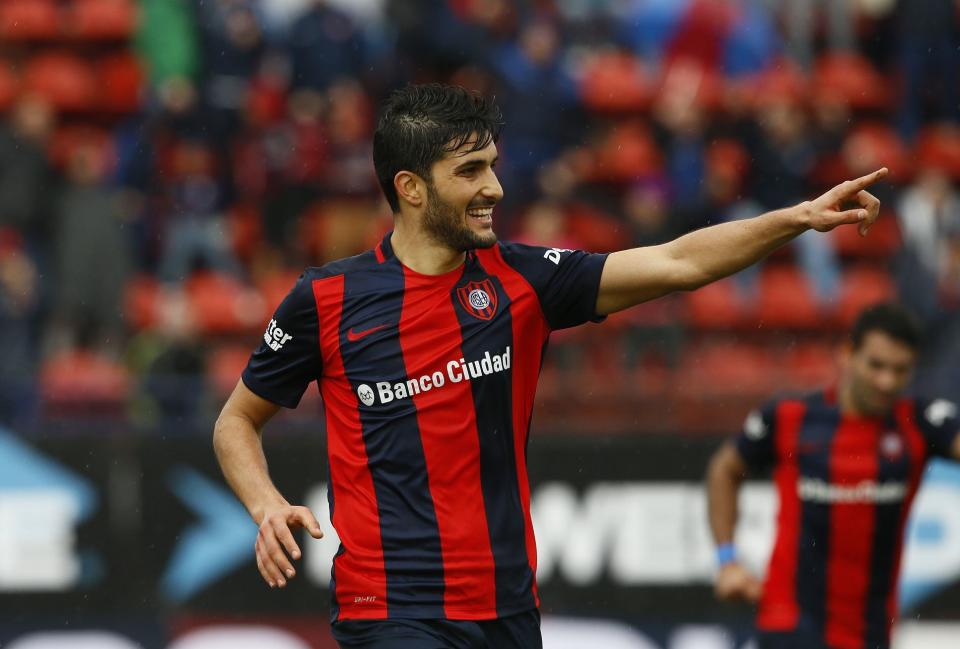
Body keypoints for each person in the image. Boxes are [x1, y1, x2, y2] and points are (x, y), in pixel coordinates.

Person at [213, 83, 886, 649]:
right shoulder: (327, 299)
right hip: (389, 606)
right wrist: (265, 501)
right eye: (470, 172)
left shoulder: (523, 281)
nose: (495, 188)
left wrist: (798, 216)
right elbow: (237, 420)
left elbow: (680, 261)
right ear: (411, 188)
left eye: (493, 165)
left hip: (507, 605)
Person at [705, 303, 960, 649]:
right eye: (876, 365)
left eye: (900, 370)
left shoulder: (921, 422)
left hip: (869, 631)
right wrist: (726, 561)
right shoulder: (790, 417)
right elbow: (725, 469)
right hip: (789, 623)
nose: (887, 381)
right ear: (847, 355)